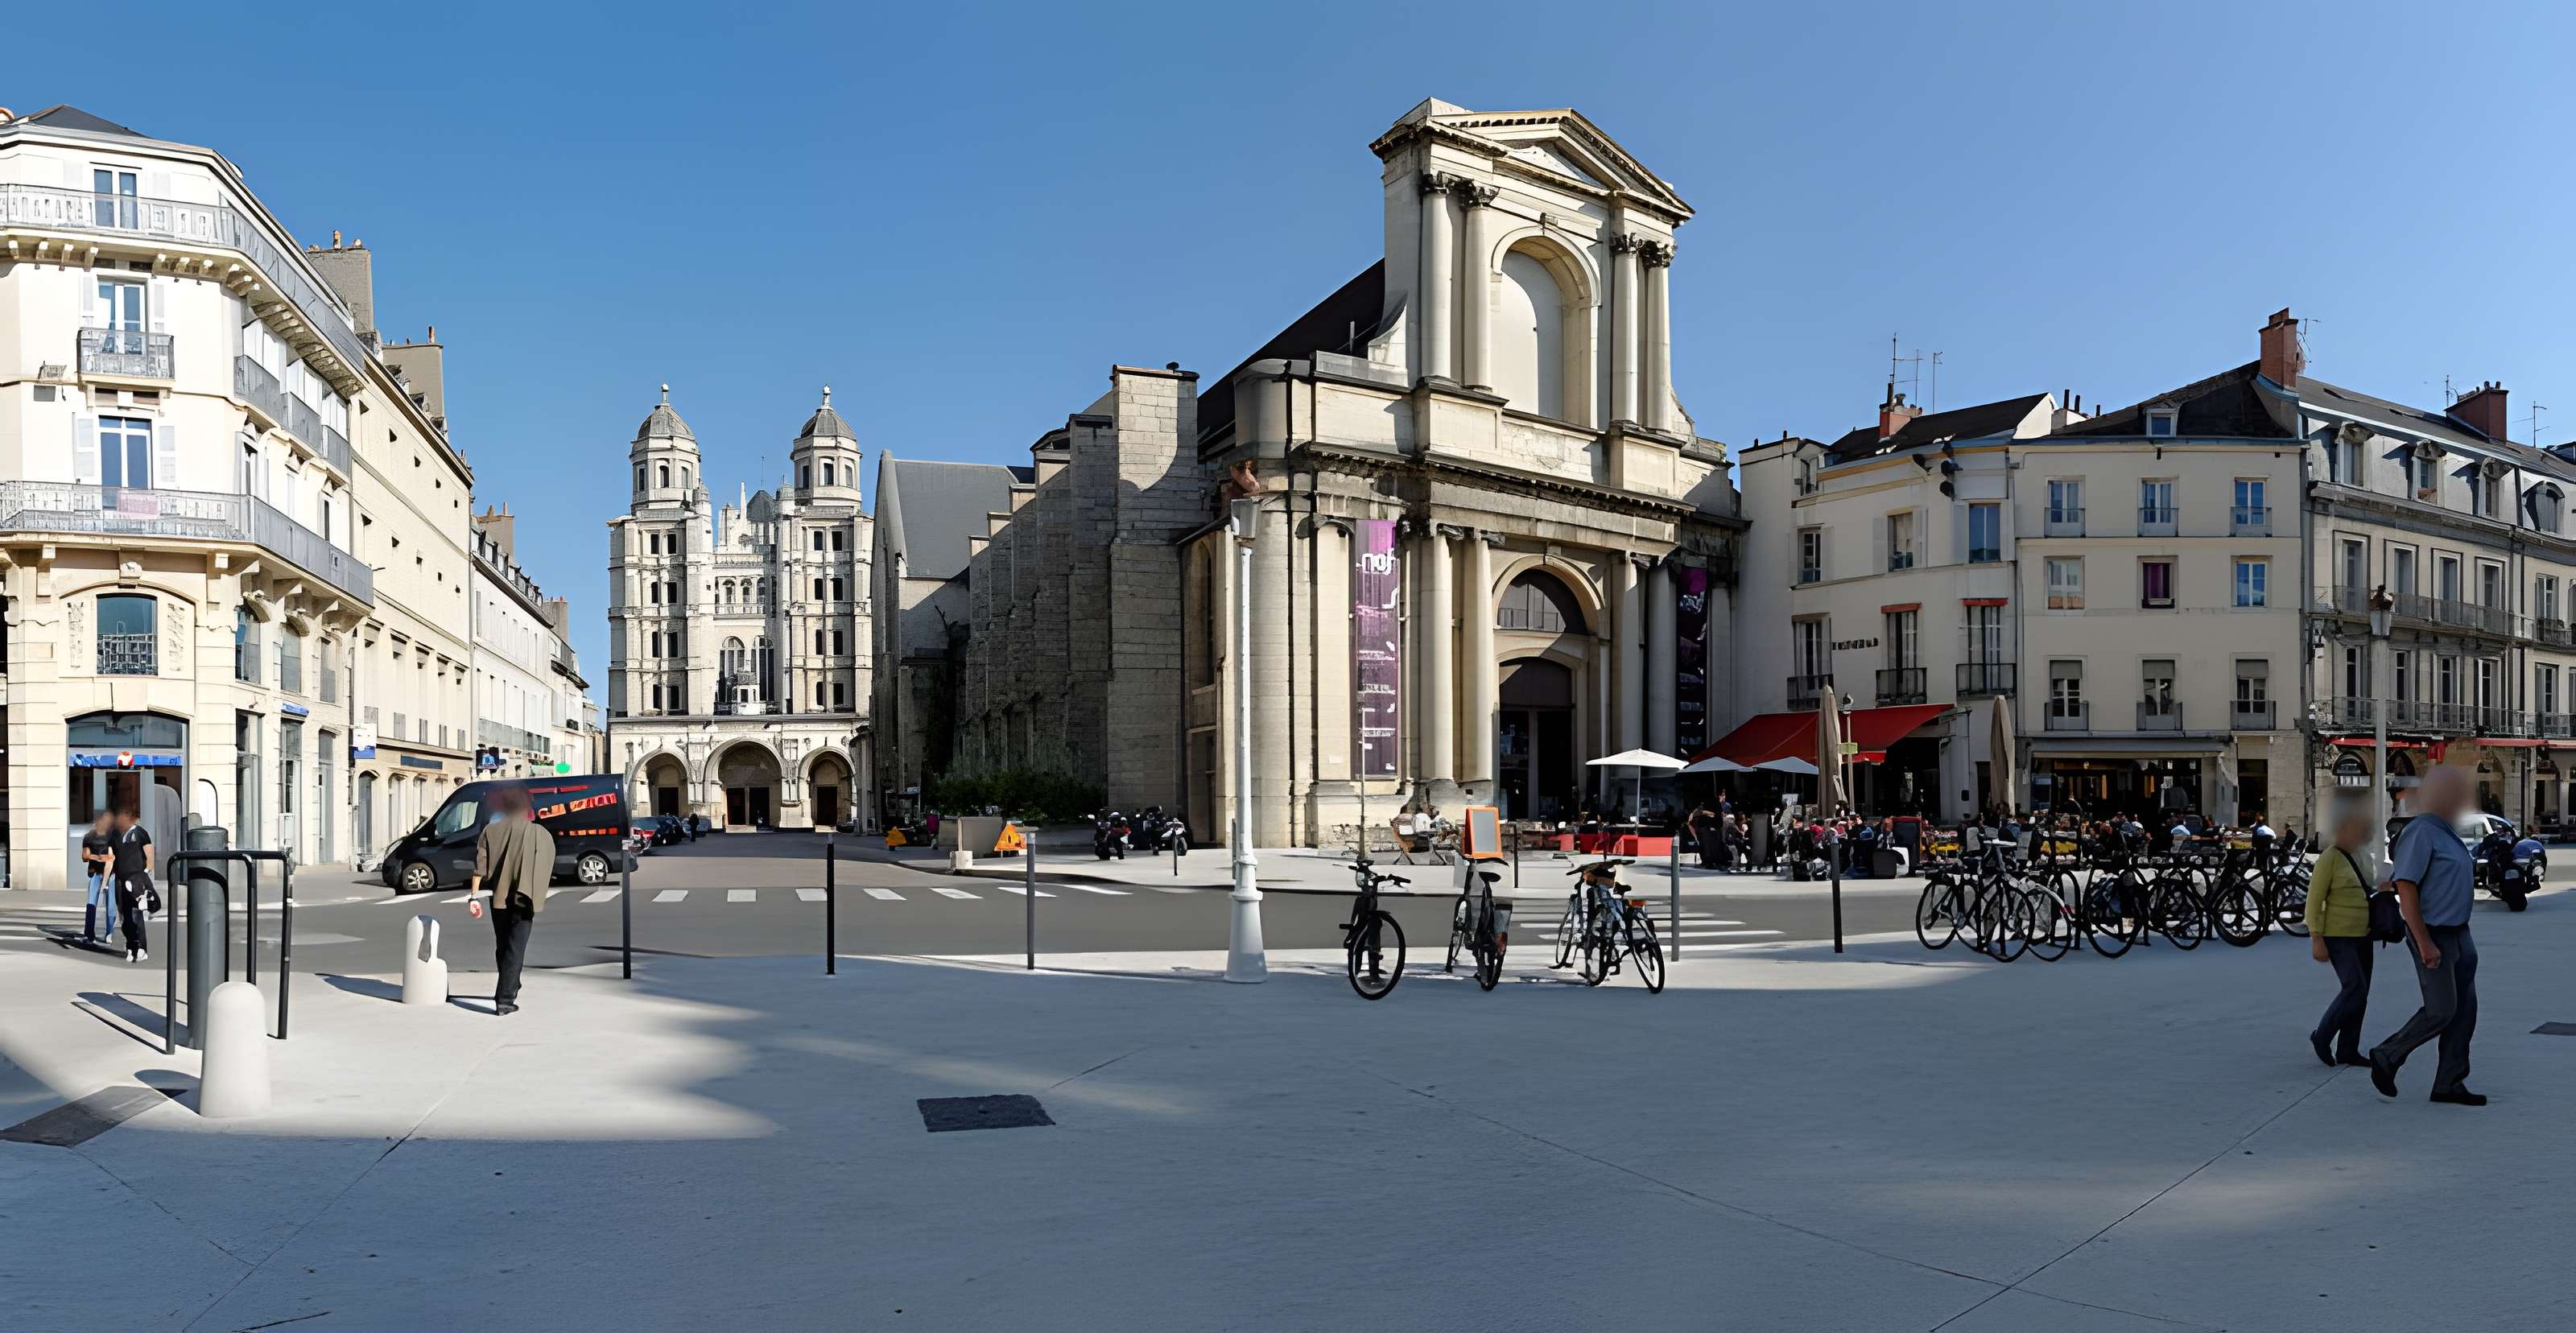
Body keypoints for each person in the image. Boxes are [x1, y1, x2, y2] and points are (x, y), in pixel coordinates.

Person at [2371, 765, 2484, 1105]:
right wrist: (2424, 942)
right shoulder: (2421, 831)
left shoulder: (2445, 831)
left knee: (2464, 1012)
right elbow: (2406, 887)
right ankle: (2388, 1054)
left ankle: (2450, 1082)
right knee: (2441, 1009)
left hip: (2459, 934)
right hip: (2433, 934)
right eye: (2456, 794)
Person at [467, 786, 556, 1017]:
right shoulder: (537, 833)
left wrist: (473, 897)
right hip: (524, 898)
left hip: (498, 899)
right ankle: (505, 999)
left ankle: (511, 984)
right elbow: (544, 866)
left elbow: (480, 869)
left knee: (503, 945)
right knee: (516, 948)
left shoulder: (490, 831)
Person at [2305, 796, 2377, 1068]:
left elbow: (2367, 889)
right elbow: (2314, 901)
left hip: (2364, 934)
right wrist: (2316, 938)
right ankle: (2322, 1036)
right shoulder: (2330, 857)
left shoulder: (2363, 855)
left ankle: (2349, 1049)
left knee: (2362, 992)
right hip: (2337, 935)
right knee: (2354, 987)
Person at [109, 807, 153, 964]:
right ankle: (130, 946)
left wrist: (146, 873)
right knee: (124, 915)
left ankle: (141, 948)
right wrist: (107, 880)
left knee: (136, 914)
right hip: (120, 880)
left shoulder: (140, 833)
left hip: (136, 879)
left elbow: (149, 853)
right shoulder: (115, 835)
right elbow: (111, 857)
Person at [80, 812, 116, 945]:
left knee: (111, 905)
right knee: (91, 904)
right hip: (95, 874)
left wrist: (104, 858)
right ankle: (89, 934)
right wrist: (97, 857)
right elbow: (84, 856)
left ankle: (109, 932)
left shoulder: (113, 836)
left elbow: (112, 857)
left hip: (111, 874)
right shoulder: (90, 836)